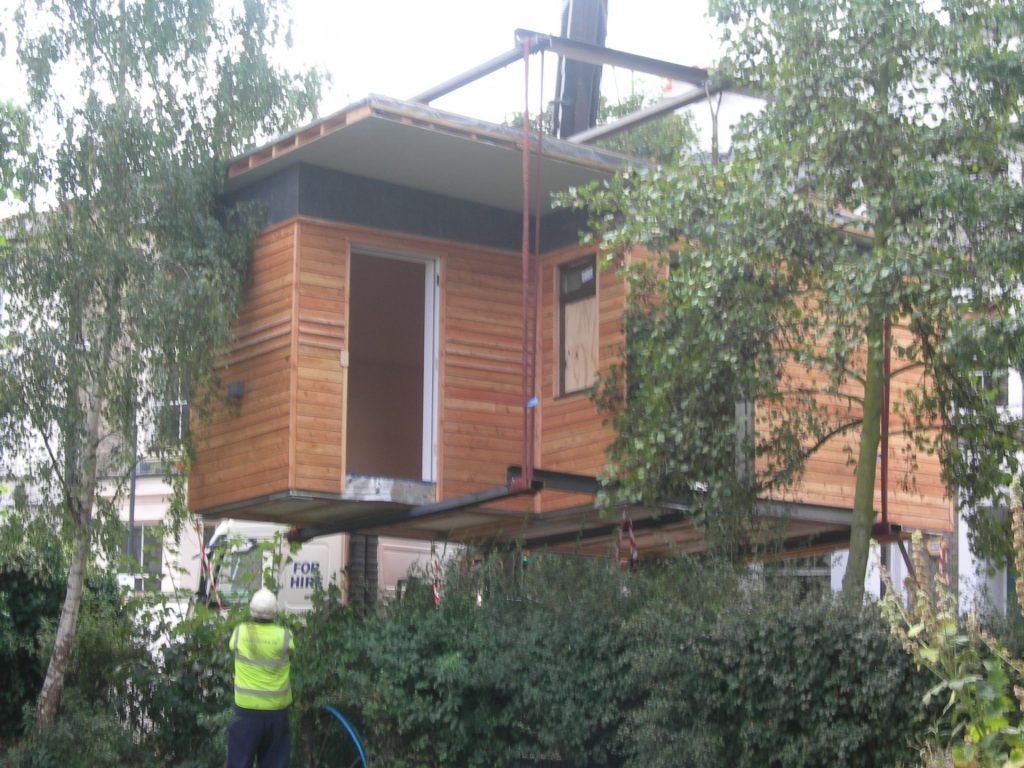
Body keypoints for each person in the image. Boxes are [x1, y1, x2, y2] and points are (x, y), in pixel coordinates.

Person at [227, 588, 295, 768]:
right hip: (276, 713)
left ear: (251, 611)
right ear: (275, 612)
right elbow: (291, 654)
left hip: (246, 712)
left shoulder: (240, 632)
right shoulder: (285, 637)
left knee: (239, 764)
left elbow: (231, 647)